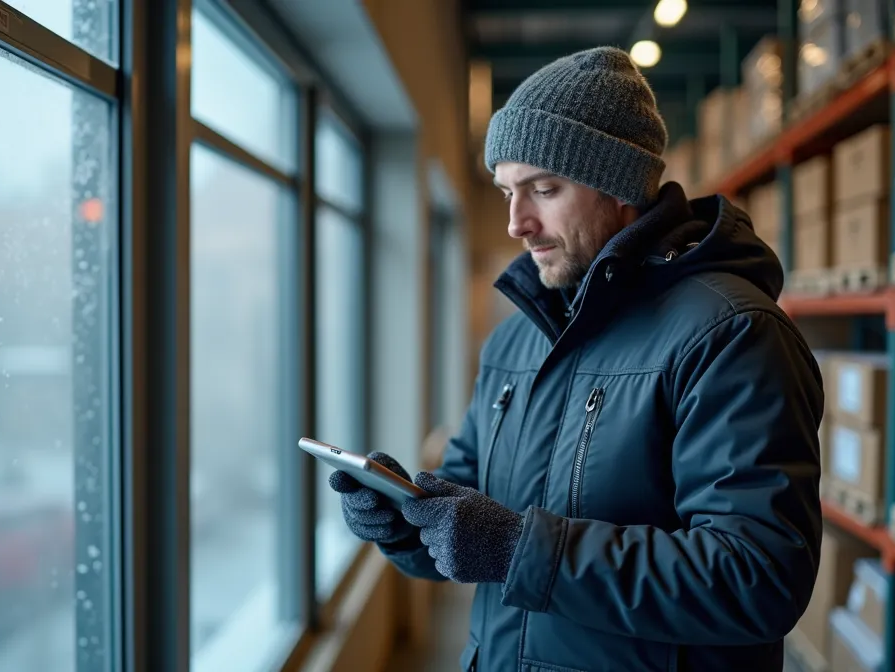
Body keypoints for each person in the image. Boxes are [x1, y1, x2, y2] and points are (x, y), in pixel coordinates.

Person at [328, 46, 823, 672]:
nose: (516, 223)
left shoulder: (729, 334)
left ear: (618, 186)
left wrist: (519, 551)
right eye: (508, 191)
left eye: (543, 188)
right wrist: (404, 518)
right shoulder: (514, 342)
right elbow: (471, 512)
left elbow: (757, 577)